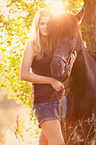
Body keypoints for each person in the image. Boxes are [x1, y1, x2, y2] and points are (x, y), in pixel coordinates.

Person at [20, 8, 68, 145]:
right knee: (58, 142)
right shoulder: (32, 45)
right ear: (37, 25)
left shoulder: (56, 45)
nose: (45, 27)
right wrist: (50, 81)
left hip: (58, 100)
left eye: (48, 23)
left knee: (46, 142)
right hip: (42, 101)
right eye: (42, 23)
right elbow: (23, 74)